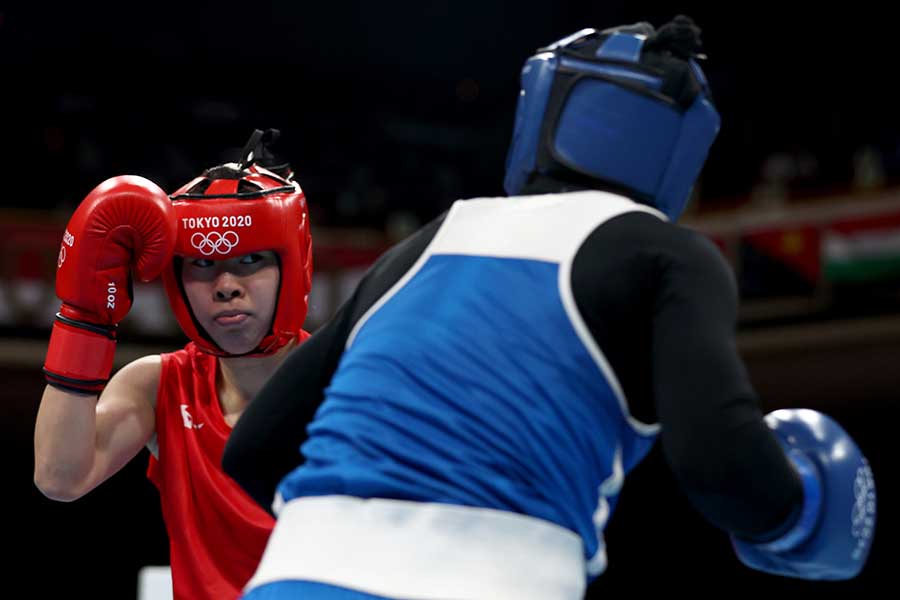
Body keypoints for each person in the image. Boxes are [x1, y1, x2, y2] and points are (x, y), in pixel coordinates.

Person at [223, 17, 877, 600]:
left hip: (294, 575)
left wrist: (345, 531)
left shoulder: (426, 244)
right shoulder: (667, 255)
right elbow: (721, 469)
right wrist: (802, 511)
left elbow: (253, 450)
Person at [33, 129, 314, 600]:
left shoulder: (344, 383)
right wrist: (85, 318)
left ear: (293, 264)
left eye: (249, 259)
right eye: (202, 263)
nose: (225, 284)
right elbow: (59, 478)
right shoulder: (159, 384)